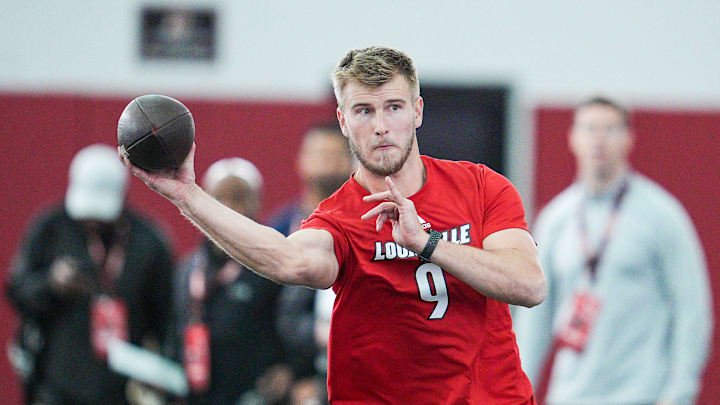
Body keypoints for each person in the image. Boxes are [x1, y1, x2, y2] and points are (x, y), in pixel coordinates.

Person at [121, 46, 546, 404]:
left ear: (416, 111)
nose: (380, 126)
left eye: (393, 107)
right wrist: (187, 195)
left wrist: (427, 243)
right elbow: (289, 260)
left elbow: (529, 286)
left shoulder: (481, 186)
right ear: (343, 121)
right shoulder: (340, 217)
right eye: (363, 110)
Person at [512, 97, 713, 405]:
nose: (599, 139)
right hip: (570, 396)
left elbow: (692, 310)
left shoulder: (661, 215)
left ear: (628, 138)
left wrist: (679, 393)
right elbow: (535, 317)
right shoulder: (556, 219)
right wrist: (518, 390)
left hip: (641, 395)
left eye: (610, 129)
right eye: (590, 128)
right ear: (573, 138)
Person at [7, 144, 173, 405]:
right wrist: (51, 284)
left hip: (123, 389)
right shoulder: (51, 229)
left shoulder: (148, 242)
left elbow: (166, 318)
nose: (93, 221)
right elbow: (17, 290)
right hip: (56, 385)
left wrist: (159, 371)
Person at [172, 157, 290, 405]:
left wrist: (290, 370)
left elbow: (291, 328)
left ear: (257, 203)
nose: (230, 208)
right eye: (220, 199)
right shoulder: (187, 270)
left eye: (239, 198)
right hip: (195, 393)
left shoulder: (276, 264)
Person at [271, 123, 355, 405]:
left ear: (349, 161)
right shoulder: (280, 229)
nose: (324, 163)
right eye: (317, 154)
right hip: (294, 373)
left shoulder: (368, 224)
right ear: (300, 160)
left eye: (332, 155)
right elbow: (265, 307)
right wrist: (289, 371)